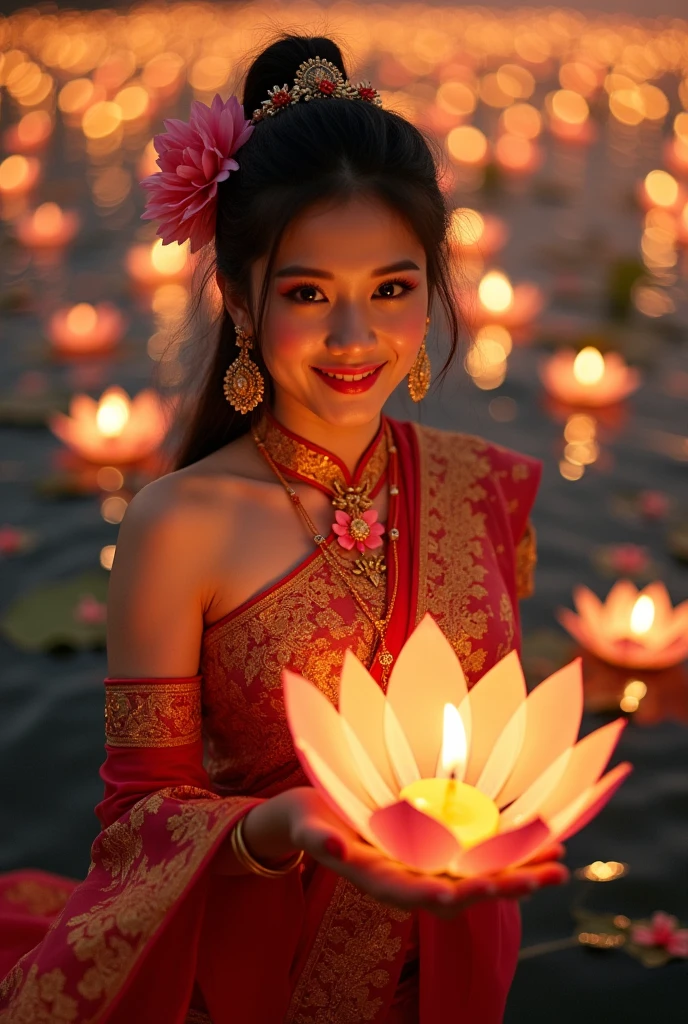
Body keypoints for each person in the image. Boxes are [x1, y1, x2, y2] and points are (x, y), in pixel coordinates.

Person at [0, 34, 568, 1024]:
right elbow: (139, 824)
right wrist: (275, 828)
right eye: (309, 293)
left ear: (430, 285)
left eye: (391, 289)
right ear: (240, 297)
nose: (355, 339)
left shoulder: (478, 488)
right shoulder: (180, 523)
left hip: (443, 975)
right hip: (256, 982)